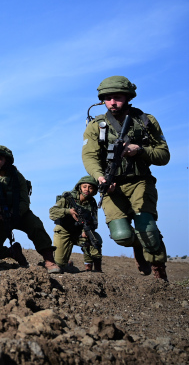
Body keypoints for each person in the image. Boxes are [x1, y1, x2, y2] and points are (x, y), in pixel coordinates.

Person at [82, 76, 170, 281]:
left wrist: (139, 150)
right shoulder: (96, 126)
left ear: (128, 97)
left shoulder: (146, 121)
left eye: (118, 97)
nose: (113, 102)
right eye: (108, 98)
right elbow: (89, 156)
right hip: (111, 186)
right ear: (102, 100)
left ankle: (159, 269)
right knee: (121, 236)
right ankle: (139, 246)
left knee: (146, 227)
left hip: (140, 181)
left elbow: (164, 156)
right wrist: (100, 178)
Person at [0, 145, 60, 272]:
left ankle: (49, 260)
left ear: (6, 160)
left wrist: (14, 213)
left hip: (20, 214)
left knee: (36, 226)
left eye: (0, 158)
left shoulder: (17, 177)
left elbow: (25, 201)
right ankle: (12, 252)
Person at [49, 176, 103, 272]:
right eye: (85, 186)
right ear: (79, 187)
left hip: (79, 233)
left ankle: (96, 269)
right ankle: (67, 265)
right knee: (59, 266)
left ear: (94, 190)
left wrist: (85, 231)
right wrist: (68, 211)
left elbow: (94, 222)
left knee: (95, 239)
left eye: (90, 187)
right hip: (64, 232)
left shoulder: (92, 203)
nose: (87, 190)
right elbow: (52, 212)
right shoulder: (68, 198)